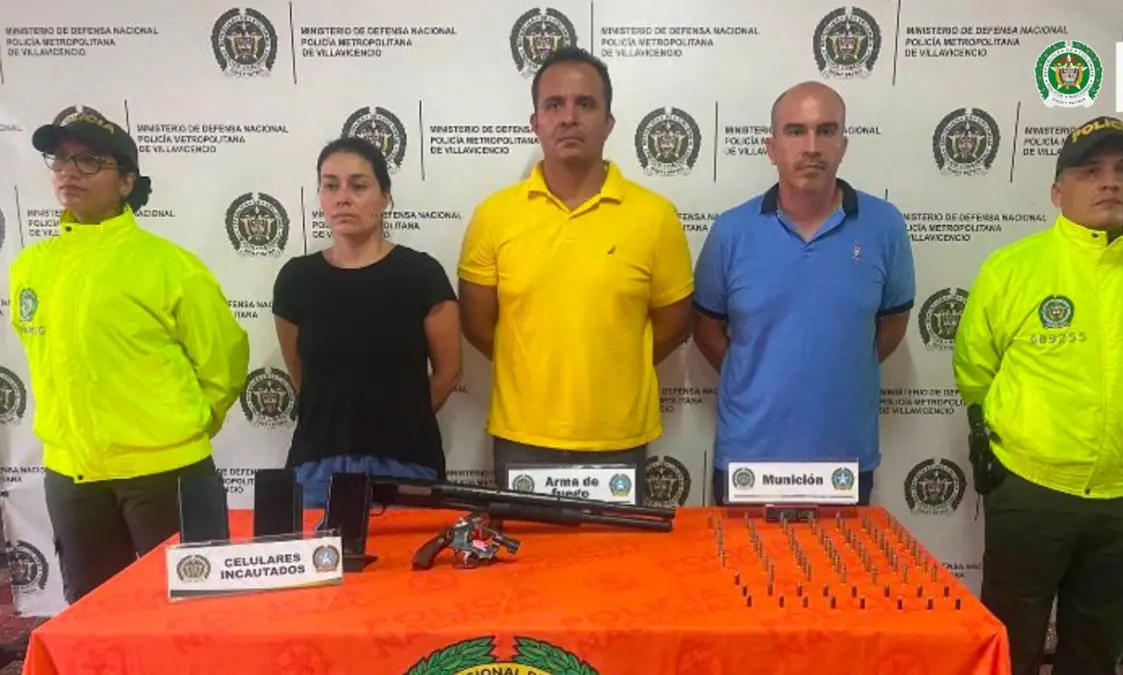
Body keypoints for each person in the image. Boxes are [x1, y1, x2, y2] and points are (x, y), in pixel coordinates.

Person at [953, 116, 1123, 675]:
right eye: (1090, 171)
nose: (1110, 182)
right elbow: (975, 369)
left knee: (1097, 648)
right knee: (1009, 642)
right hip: (1031, 490)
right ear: (1057, 191)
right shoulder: (1014, 268)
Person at [9, 113, 249, 604]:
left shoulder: (169, 265)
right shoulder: (30, 267)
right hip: (72, 477)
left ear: (126, 182)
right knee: (95, 614)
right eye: (61, 158)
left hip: (166, 472)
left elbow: (224, 359)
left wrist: (186, 427)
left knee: (197, 611)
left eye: (89, 161)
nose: (69, 171)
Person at [457, 46, 694, 499]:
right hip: (523, 438)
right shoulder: (494, 216)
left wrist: (614, 362)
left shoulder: (656, 217)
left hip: (618, 440)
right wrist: (533, 365)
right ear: (535, 122)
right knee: (521, 550)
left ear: (609, 121)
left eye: (585, 104)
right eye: (554, 105)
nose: (569, 117)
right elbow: (479, 325)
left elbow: (672, 325)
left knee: (617, 551)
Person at [693, 82, 914, 505]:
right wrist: (758, 375)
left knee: (839, 555)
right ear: (771, 147)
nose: (811, 146)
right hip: (749, 459)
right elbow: (705, 329)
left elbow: (891, 326)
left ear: (843, 145)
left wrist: (837, 367)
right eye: (795, 131)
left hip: (843, 461)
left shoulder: (885, 227)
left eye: (826, 131)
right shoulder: (731, 231)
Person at [272, 137, 461, 511]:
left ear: (385, 196)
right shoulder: (296, 279)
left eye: (358, 186)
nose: (343, 198)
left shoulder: (421, 275)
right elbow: (301, 376)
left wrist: (399, 420)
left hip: (406, 464)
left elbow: (449, 372)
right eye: (331, 186)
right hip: (316, 466)